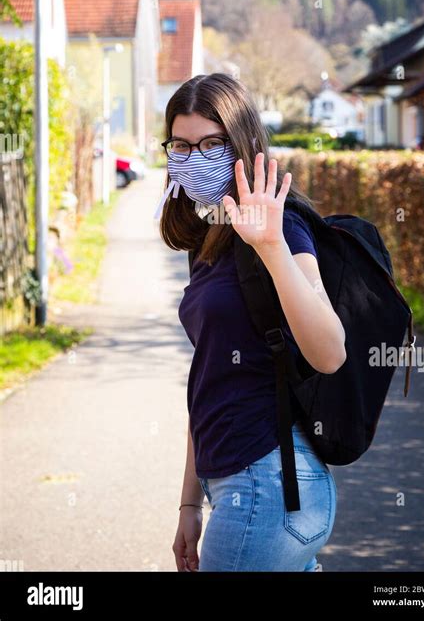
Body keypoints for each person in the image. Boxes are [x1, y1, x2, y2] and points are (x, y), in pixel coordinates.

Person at [155, 73, 346, 572]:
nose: (195, 157)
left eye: (213, 143)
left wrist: (271, 246)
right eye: (182, 145)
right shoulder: (206, 239)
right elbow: (209, 377)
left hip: (271, 480)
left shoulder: (282, 228)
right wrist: (189, 503)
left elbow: (330, 351)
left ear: (242, 143)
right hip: (233, 483)